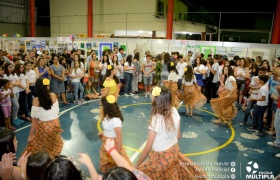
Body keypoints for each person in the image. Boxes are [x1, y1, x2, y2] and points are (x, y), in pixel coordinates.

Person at [134, 86, 206, 179]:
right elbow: (178, 136)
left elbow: (148, 148)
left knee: (142, 173)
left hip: (160, 157)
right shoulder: (174, 111)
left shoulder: (156, 119)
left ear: (156, 100)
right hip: (173, 152)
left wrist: (136, 166)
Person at [24, 77, 63, 158]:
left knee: (40, 146)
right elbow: (56, 111)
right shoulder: (53, 95)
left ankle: (45, 159)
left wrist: (30, 135)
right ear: (48, 86)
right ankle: (53, 156)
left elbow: (34, 120)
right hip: (55, 124)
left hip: (44, 127)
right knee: (54, 143)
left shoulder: (36, 100)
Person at [98, 95, 132, 173]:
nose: (100, 107)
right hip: (106, 141)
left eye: (101, 105)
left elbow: (119, 137)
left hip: (113, 143)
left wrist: (117, 150)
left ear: (106, 107)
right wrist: (103, 133)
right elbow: (109, 128)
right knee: (107, 161)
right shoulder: (106, 115)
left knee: (119, 162)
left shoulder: (115, 120)